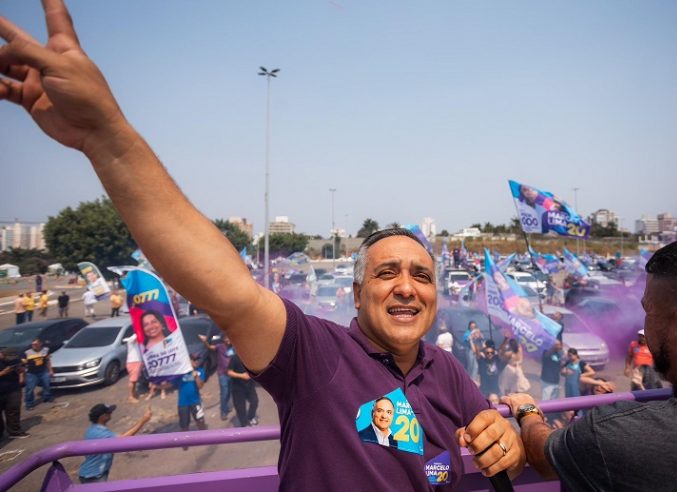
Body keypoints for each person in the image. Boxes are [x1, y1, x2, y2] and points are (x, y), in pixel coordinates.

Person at [0, 4, 522, 488]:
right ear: (359, 293)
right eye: (387, 274)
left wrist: (508, 437)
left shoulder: (446, 370)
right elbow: (228, 289)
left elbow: (486, 429)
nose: (407, 287)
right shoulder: (316, 355)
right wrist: (105, 135)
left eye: (422, 275)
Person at [503, 232, 677, 490]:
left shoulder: (614, 435)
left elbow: (542, 453)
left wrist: (528, 412)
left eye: (648, 311)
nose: (644, 328)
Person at [78, 404, 151, 483]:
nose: (111, 413)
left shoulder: (93, 429)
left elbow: (117, 437)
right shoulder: (101, 433)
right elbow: (123, 440)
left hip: (92, 473)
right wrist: (143, 420)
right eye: (108, 412)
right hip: (94, 476)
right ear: (102, 417)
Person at [199, 334, 233, 420]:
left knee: (229, 391)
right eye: (226, 338)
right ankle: (223, 412)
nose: (228, 339)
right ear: (223, 339)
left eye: (229, 337)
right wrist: (205, 341)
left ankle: (226, 406)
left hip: (232, 373)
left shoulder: (233, 347)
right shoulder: (220, 346)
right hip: (222, 373)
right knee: (224, 392)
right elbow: (210, 347)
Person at [174, 354, 207, 433]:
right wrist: (157, 386)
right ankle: (186, 442)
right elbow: (170, 384)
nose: (196, 361)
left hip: (196, 402)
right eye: (194, 359)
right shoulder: (180, 373)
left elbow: (200, 386)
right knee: (184, 426)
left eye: (197, 359)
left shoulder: (200, 371)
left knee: (201, 422)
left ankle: (205, 438)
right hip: (183, 403)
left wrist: (196, 376)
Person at [0, 349, 28, 439]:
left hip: (13, 388)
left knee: (13, 410)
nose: (9, 359)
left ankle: (14, 431)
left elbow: (21, 368)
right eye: (7, 357)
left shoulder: (15, 359)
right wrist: (3, 373)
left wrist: (21, 373)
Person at [227, 349, 259, 427]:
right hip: (238, 387)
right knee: (240, 408)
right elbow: (229, 372)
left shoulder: (250, 358)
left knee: (254, 401)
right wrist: (242, 376)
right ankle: (244, 424)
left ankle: (251, 417)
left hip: (250, 385)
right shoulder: (234, 358)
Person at [21, 338, 54, 410]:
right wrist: (22, 376)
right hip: (31, 373)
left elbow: (48, 361)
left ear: (40, 344)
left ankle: (47, 398)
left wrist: (50, 370)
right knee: (30, 389)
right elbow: (22, 366)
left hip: (43, 371)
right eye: (32, 344)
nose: (34, 346)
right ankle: (29, 404)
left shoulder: (45, 350)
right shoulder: (26, 353)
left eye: (35, 344)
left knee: (46, 385)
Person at [124, 334, 142, 402]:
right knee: (132, 380)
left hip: (137, 362)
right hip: (133, 362)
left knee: (135, 380)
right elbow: (136, 338)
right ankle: (130, 397)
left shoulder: (137, 342)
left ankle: (133, 394)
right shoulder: (132, 339)